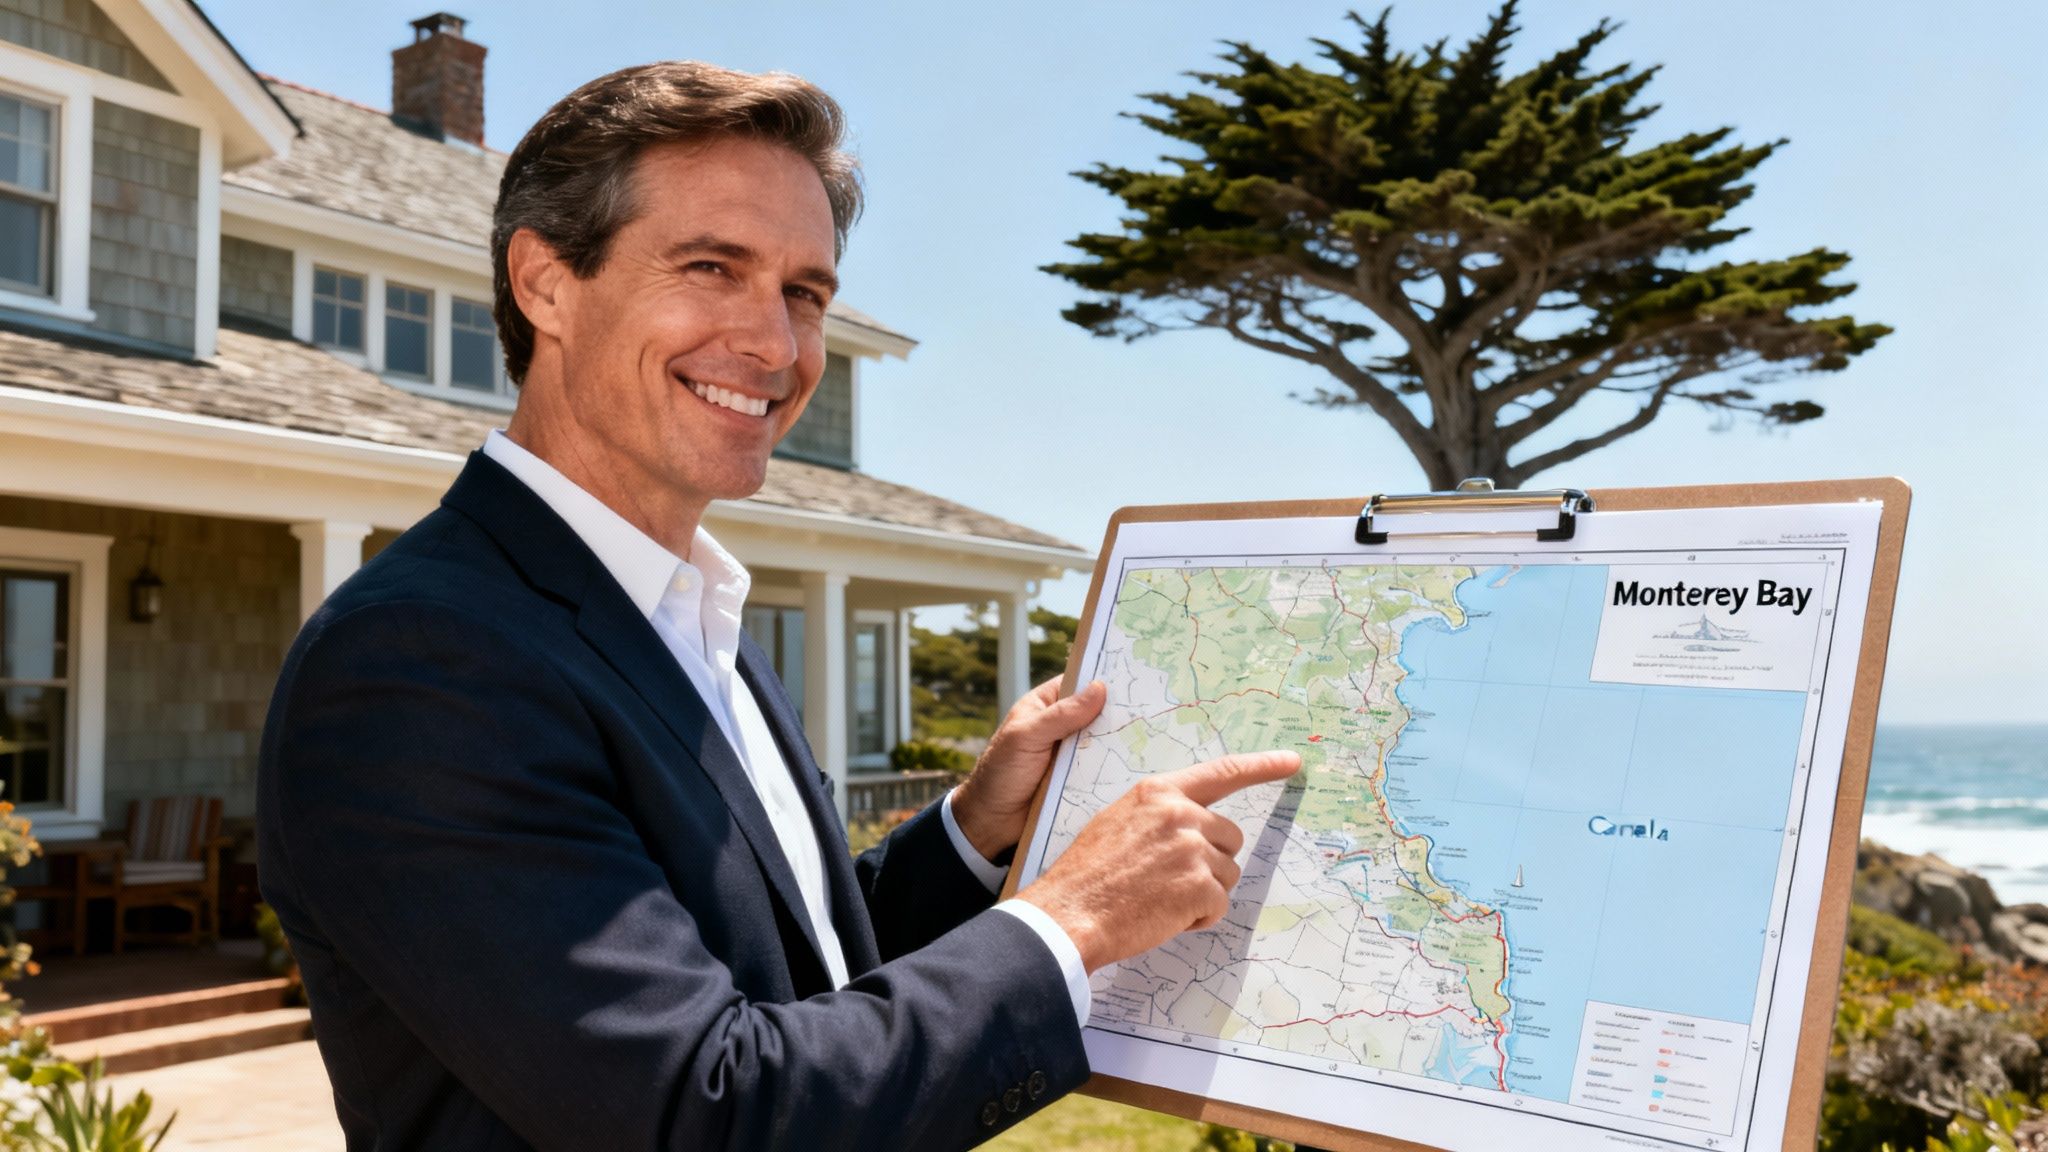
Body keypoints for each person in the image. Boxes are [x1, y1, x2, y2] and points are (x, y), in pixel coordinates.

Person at [256, 60, 1300, 1151]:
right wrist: (1072, 920)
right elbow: (708, 1113)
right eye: (711, 266)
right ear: (545, 283)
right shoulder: (421, 663)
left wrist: (975, 831)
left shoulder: (683, 610)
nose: (775, 345)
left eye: (804, 292)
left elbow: (785, 967)